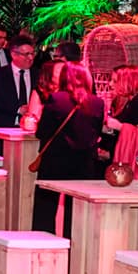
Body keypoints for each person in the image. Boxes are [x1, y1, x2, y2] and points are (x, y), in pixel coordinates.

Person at [31, 64, 104, 235]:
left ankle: (43, 243)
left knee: (46, 209)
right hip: (84, 164)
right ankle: (73, 245)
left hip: (54, 162)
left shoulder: (56, 99)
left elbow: (42, 132)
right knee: (76, 211)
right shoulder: (97, 103)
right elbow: (97, 132)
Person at [103, 64, 138, 181]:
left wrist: (119, 126)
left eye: (115, 81)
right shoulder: (131, 102)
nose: (110, 84)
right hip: (132, 164)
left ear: (128, 82)